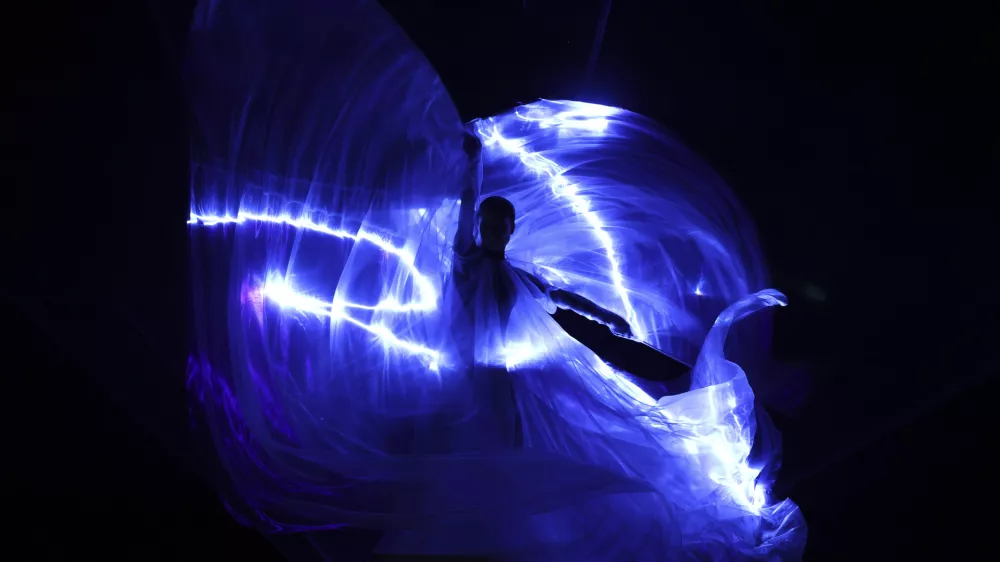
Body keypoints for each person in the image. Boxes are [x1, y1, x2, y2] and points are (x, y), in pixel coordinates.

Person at [452, 130, 634, 341]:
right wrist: (474, 158)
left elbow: (558, 296)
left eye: (499, 226)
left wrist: (608, 317)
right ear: (476, 224)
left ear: (511, 229)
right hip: (456, 363)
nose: (492, 232)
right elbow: (468, 200)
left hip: (491, 363)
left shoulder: (514, 275)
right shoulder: (465, 255)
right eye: (487, 225)